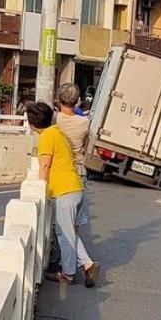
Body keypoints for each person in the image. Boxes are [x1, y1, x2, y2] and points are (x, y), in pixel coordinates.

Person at [26, 102, 100, 287]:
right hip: (74, 187)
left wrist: (41, 189)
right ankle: (87, 264)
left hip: (64, 191)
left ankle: (68, 273)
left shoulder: (46, 137)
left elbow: (45, 165)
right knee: (66, 232)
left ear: (31, 123)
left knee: (64, 234)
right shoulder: (57, 132)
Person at [56, 83, 90, 227]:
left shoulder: (55, 120)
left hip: (59, 171)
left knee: (58, 219)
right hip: (78, 171)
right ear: (77, 101)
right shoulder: (85, 122)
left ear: (59, 100)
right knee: (74, 222)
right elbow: (87, 147)